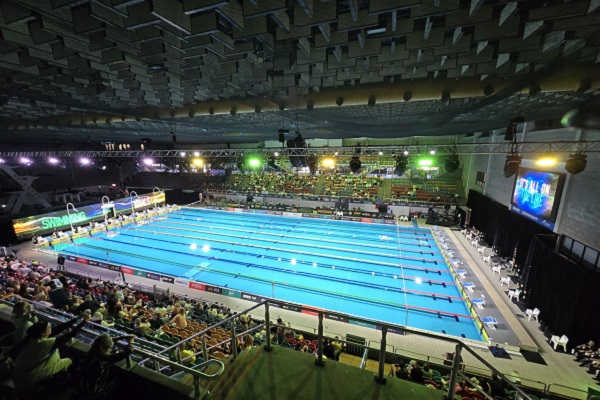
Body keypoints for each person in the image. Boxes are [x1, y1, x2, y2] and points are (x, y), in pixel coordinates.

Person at [12, 314, 90, 394]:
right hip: (29, 380)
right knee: (72, 359)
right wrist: (84, 322)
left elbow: (58, 329)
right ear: (42, 333)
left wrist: (76, 319)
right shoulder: (43, 344)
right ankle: (66, 386)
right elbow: (69, 335)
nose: (51, 329)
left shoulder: (32, 338)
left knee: (59, 352)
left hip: (18, 376)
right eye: (49, 328)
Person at [76, 334, 134, 398]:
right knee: (118, 380)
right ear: (106, 348)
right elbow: (127, 352)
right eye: (110, 348)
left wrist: (121, 337)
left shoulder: (90, 352)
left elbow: (102, 342)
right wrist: (131, 341)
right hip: (92, 390)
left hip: (78, 384)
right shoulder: (104, 358)